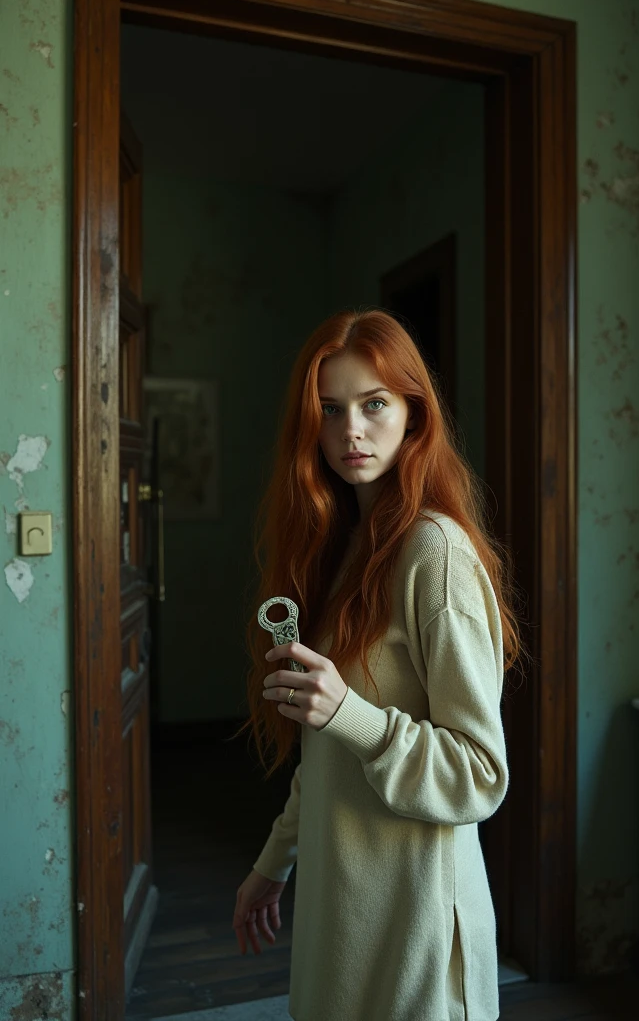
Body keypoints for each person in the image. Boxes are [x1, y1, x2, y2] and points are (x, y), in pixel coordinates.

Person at [230, 308, 525, 1021]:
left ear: (415, 416)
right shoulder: (348, 552)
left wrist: (350, 713)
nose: (350, 431)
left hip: (416, 924)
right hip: (342, 917)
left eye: (374, 405)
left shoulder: (435, 554)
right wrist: (275, 861)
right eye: (330, 411)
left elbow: (481, 774)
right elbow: (327, 746)